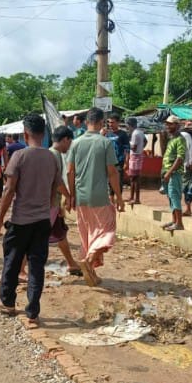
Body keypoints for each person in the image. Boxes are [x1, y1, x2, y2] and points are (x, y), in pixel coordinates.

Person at [0, 114, 69, 327]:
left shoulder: (19, 156)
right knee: (37, 266)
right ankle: (32, 312)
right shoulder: (52, 158)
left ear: (26, 134)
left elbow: (8, 190)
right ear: (43, 134)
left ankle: (8, 302)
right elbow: (54, 189)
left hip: (21, 220)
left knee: (12, 260)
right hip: (42, 220)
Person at [67, 108, 125, 287]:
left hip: (81, 197)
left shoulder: (76, 143)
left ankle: (91, 271)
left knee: (89, 233)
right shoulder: (104, 142)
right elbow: (112, 172)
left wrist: (71, 195)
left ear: (86, 122)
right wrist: (119, 197)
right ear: (101, 122)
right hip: (100, 196)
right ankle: (90, 258)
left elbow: (70, 171)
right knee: (107, 230)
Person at [49, 125, 80, 275]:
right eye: (70, 142)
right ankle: (21, 270)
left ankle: (71, 263)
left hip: (53, 203)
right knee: (35, 237)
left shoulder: (53, 154)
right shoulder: (53, 155)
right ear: (65, 139)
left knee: (60, 233)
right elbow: (58, 182)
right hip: (49, 204)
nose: (69, 146)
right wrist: (68, 196)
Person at [160, 116, 187, 231]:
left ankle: (179, 223)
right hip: (167, 172)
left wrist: (169, 172)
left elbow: (180, 158)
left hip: (174, 173)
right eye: (167, 124)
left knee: (175, 196)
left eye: (170, 124)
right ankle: (174, 220)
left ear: (177, 125)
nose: (168, 126)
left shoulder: (180, 139)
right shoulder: (172, 139)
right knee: (170, 197)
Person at [105, 113, 130, 200]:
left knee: (118, 181)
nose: (110, 124)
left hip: (119, 161)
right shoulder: (107, 134)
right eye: (109, 122)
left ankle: (119, 199)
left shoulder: (123, 134)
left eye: (112, 122)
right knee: (109, 182)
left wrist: (126, 162)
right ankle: (111, 200)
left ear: (118, 123)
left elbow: (127, 149)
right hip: (109, 162)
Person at [126, 117, 145, 204]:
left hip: (135, 156)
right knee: (134, 178)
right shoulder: (140, 132)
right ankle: (132, 197)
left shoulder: (134, 134)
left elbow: (133, 147)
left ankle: (136, 199)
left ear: (130, 125)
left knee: (134, 178)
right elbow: (145, 141)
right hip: (139, 155)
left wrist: (128, 143)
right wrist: (141, 148)